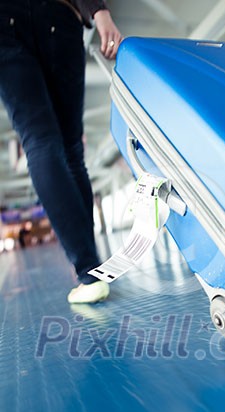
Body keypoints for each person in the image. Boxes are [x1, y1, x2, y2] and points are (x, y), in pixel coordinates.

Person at [0, 0, 122, 303]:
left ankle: (89, 271)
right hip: (61, 15)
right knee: (71, 151)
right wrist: (99, 11)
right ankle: (94, 269)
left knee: (40, 141)